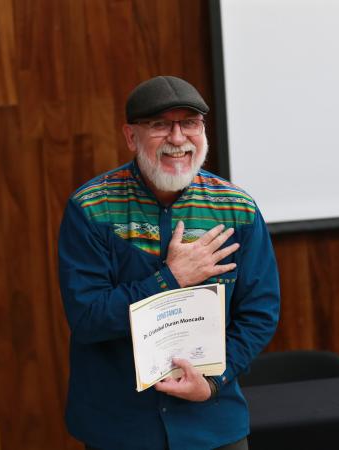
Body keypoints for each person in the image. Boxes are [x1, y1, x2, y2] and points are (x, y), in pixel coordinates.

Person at [58, 75, 280, 450]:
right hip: (121, 429)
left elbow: (259, 313)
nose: (178, 138)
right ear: (131, 136)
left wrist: (213, 381)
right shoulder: (91, 208)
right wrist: (170, 278)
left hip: (212, 424)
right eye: (160, 125)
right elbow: (88, 317)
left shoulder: (237, 209)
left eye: (189, 123)